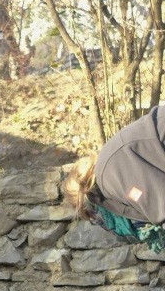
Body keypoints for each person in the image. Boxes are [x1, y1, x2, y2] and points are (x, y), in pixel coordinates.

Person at [64, 105, 165, 252]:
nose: (99, 220)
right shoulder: (110, 168)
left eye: (92, 215)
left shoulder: (109, 175)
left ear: (85, 200)